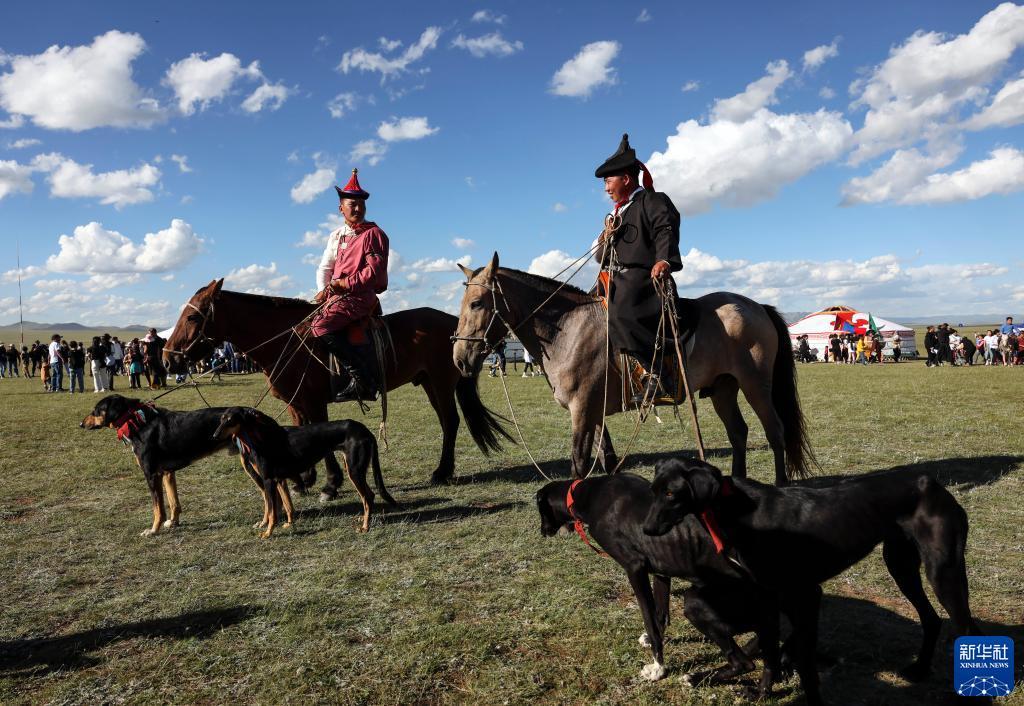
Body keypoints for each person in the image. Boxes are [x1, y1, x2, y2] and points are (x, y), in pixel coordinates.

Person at [593, 134, 682, 402]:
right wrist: (605, 238)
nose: (606, 188)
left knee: (621, 311)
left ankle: (656, 374)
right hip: (615, 278)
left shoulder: (653, 201)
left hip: (644, 278)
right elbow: (601, 258)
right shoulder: (615, 216)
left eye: (609, 181)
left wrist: (664, 260)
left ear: (626, 179)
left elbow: (665, 228)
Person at [311, 169, 389, 402]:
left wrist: (342, 284)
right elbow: (326, 267)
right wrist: (324, 291)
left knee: (321, 326)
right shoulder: (341, 236)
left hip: (359, 297)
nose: (357, 209)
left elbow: (372, 274)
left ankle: (363, 380)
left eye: (360, 205)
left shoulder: (373, 234)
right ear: (341, 208)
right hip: (339, 296)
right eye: (352, 205)